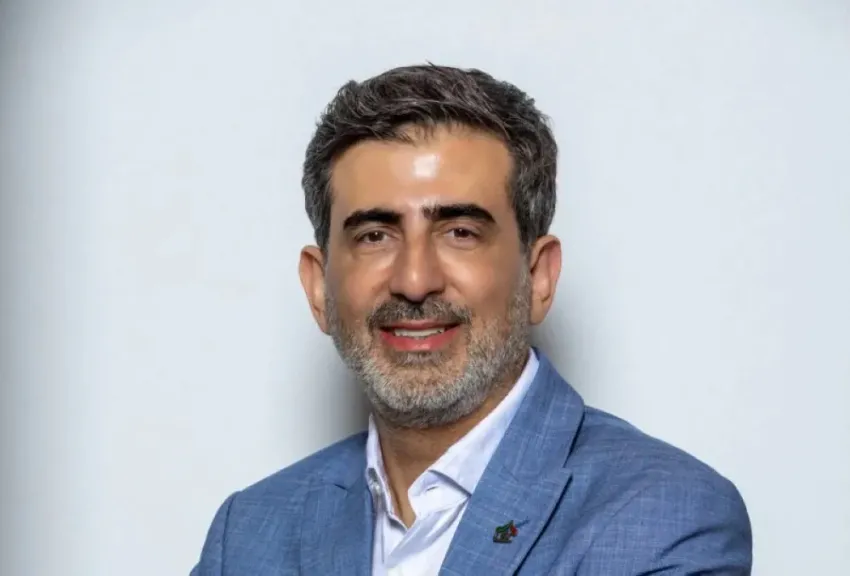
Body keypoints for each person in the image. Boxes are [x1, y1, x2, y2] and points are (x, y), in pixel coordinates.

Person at [191, 64, 752, 575]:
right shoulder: (247, 534)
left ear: (538, 277)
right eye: (375, 235)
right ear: (319, 288)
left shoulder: (664, 517)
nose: (415, 280)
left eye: (460, 232)